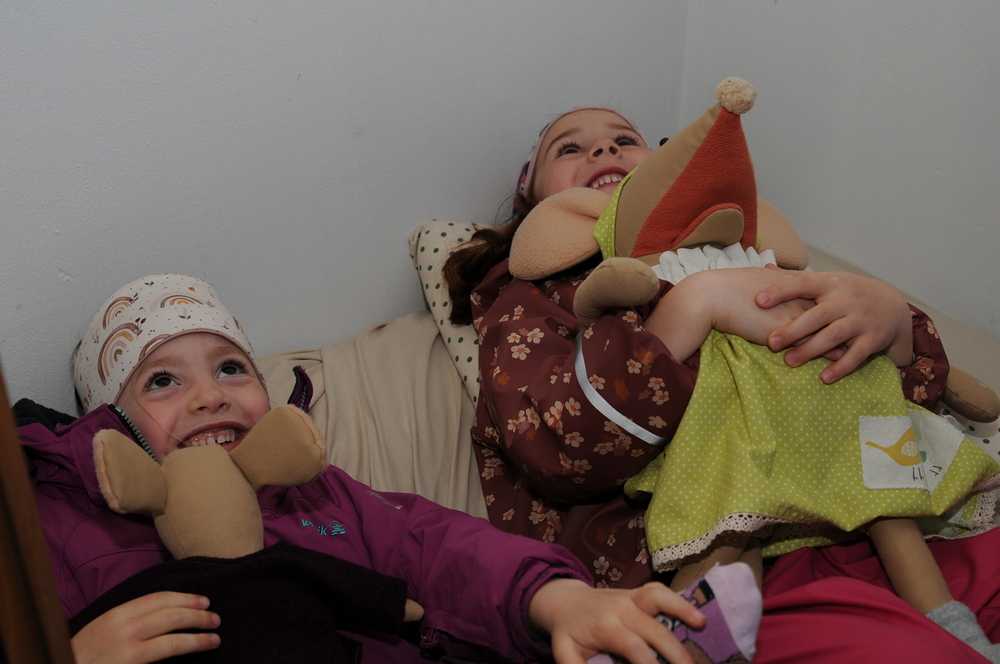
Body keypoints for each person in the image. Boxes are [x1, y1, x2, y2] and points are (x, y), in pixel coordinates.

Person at [442, 107, 1000, 663]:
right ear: (535, 206)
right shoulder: (533, 301)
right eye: (568, 147)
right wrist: (692, 307)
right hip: (714, 571)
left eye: (625, 139)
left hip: (880, 519)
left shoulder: (760, 262)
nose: (605, 150)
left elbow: (890, 403)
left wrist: (897, 325)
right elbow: (563, 450)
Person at [19, 272, 761, 664]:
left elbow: (436, 547)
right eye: (161, 380)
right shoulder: (59, 521)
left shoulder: (313, 492)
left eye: (231, 367)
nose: (210, 394)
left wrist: (558, 600)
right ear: (110, 425)